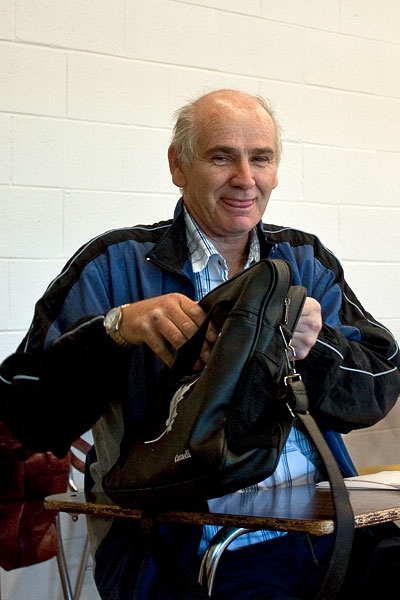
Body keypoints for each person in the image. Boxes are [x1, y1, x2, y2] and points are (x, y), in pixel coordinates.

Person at [1, 89, 399, 599]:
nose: (245, 178)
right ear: (178, 165)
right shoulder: (112, 264)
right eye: (221, 157)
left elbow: (380, 384)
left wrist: (314, 349)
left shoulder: (305, 259)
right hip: (181, 546)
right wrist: (113, 332)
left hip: (326, 530)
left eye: (261, 158)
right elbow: (26, 413)